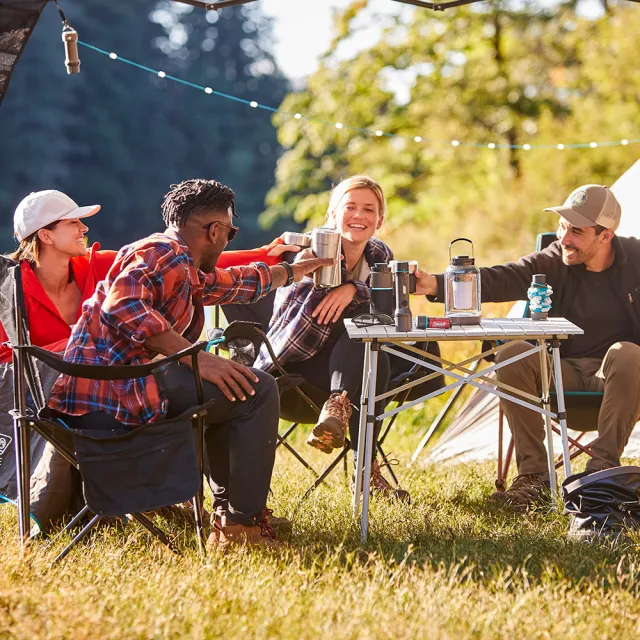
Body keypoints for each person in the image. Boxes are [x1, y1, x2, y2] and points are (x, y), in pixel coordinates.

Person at [47, 178, 332, 548]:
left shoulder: (179, 263)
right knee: (256, 388)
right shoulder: (162, 252)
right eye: (231, 232)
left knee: (232, 389)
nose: (229, 239)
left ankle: (231, 515)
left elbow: (231, 283)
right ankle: (240, 527)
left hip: (119, 384)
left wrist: (293, 272)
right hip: (110, 394)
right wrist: (198, 358)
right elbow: (122, 306)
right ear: (214, 231)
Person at [414, 184, 640, 509]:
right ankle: (534, 477)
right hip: (563, 375)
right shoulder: (555, 260)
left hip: (624, 378)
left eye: (576, 230)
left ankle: (602, 474)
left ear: (606, 235)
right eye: (562, 227)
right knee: (512, 353)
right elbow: (506, 276)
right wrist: (438, 283)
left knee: (627, 351)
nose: (563, 239)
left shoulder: (636, 261)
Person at [256, 175, 435, 502]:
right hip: (295, 368)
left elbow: (394, 299)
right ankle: (365, 470)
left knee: (372, 349)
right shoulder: (312, 249)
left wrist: (354, 288)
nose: (359, 215)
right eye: (350, 207)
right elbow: (314, 313)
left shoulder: (379, 252)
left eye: (369, 209)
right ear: (333, 213)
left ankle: (339, 412)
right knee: (368, 343)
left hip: (349, 371)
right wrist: (347, 292)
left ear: (379, 220)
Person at [0, 189, 306, 363]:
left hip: (105, 381)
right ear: (46, 236)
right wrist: (75, 345)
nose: (84, 229)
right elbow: (5, 361)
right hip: (36, 396)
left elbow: (185, 262)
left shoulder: (96, 266)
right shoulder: (8, 292)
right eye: (73, 223)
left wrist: (268, 252)